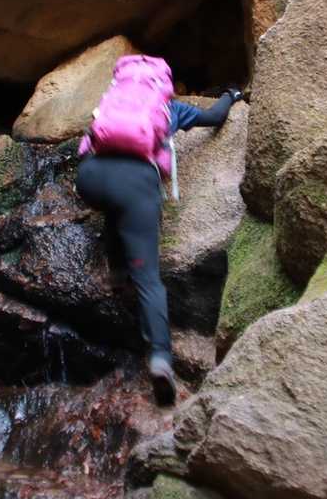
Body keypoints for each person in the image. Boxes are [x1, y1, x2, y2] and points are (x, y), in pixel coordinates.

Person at [76, 83, 242, 404]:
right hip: (136, 184)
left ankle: (117, 273)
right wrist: (230, 96)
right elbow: (214, 118)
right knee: (149, 280)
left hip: (90, 179)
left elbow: (88, 142)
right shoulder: (169, 109)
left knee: (114, 207)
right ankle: (161, 359)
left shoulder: (112, 105)